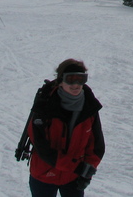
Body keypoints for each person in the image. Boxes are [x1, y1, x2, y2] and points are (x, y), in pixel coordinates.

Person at [26, 59, 105, 197]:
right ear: (60, 80)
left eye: (80, 79)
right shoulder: (44, 105)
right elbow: (41, 147)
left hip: (73, 177)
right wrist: (78, 168)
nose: (76, 85)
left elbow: (96, 146)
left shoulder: (89, 107)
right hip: (44, 175)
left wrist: (87, 172)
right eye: (70, 79)